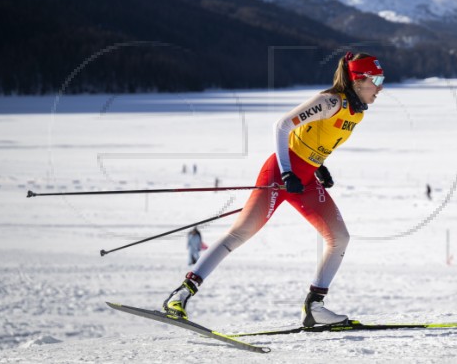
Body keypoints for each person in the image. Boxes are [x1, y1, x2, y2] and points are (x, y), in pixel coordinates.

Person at [162, 52, 385, 327]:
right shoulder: (329, 102)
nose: (381, 86)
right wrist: (288, 170)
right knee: (240, 233)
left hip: (304, 179)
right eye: (376, 79)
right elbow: (282, 126)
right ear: (358, 79)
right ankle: (180, 294)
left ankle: (314, 307)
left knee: (340, 238)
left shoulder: (356, 113)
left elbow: (314, 138)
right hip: (281, 174)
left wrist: (318, 165)